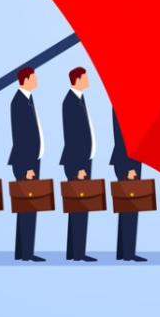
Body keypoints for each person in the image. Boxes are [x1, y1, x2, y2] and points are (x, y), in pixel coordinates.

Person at [8, 67, 46, 262]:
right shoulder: (19, 102)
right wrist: (27, 167)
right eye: (34, 76)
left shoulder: (28, 100)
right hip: (26, 163)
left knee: (29, 207)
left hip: (32, 161)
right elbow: (21, 137)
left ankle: (23, 251)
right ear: (26, 79)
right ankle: (26, 253)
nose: (37, 79)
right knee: (27, 207)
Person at [60, 67, 96, 262]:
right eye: (86, 77)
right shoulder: (71, 102)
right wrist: (79, 168)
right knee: (79, 206)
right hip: (78, 163)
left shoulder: (79, 99)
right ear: (78, 79)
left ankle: (75, 252)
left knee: (79, 207)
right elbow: (72, 137)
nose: (88, 80)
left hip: (83, 161)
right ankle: (78, 253)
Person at [110, 109, 146, 262]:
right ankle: (128, 253)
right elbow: (122, 138)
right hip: (127, 162)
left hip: (131, 160)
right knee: (130, 206)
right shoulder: (121, 107)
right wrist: (128, 167)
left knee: (127, 207)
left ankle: (124, 252)